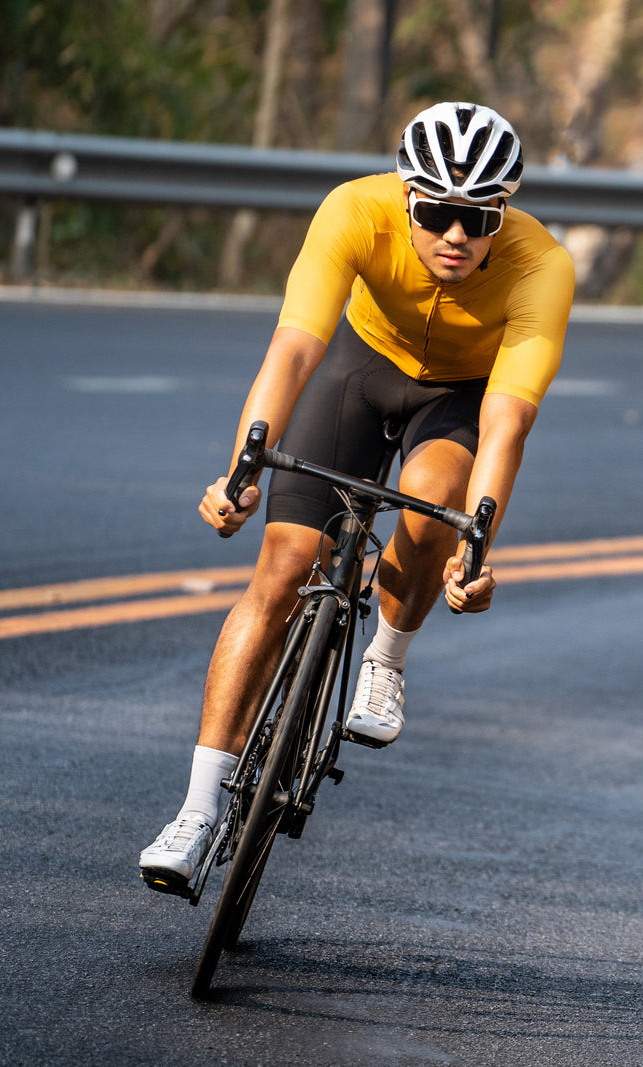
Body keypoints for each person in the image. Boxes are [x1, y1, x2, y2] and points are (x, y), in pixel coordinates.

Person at [139, 102, 575, 893]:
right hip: (359, 368)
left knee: (433, 495)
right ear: (408, 199)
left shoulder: (542, 265)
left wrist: (475, 552)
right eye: (437, 212)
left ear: (500, 215)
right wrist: (241, 471)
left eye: (476, 218)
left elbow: (507, 421)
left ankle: (386, 656)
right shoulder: (354, 208)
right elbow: (297, 344)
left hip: (458, 396)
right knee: (281, 569)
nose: (455, 235)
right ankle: (197, 811)